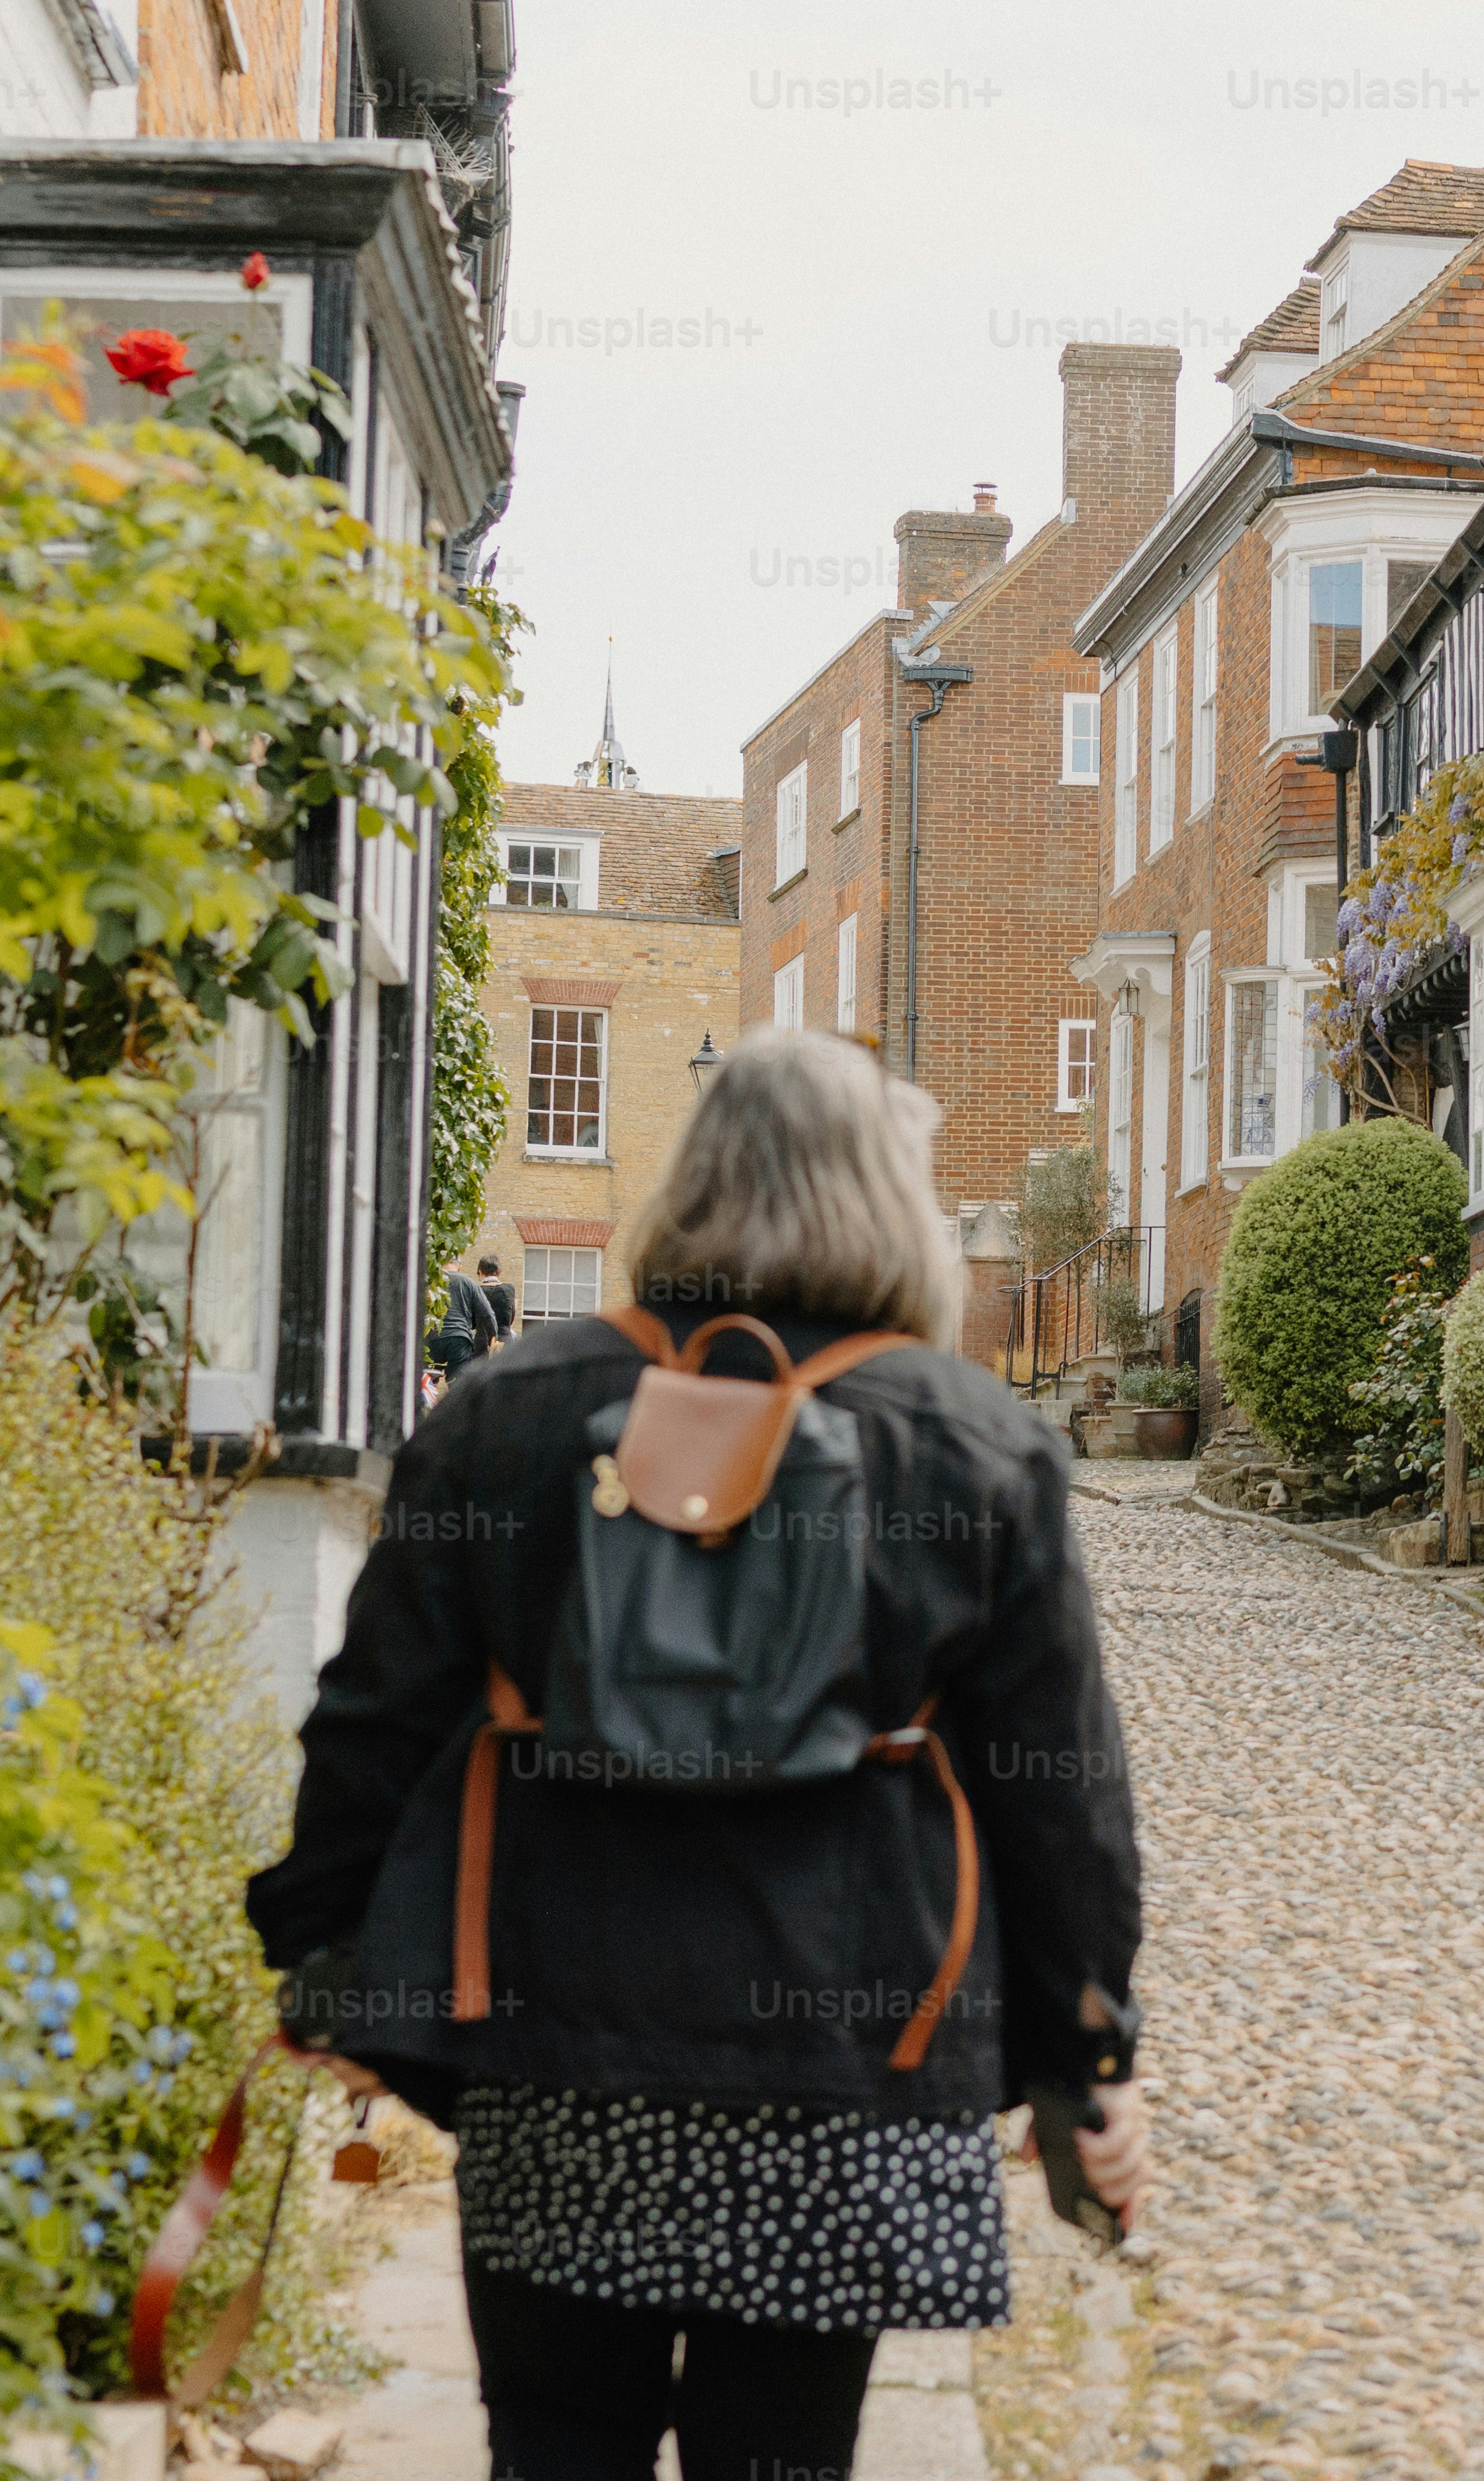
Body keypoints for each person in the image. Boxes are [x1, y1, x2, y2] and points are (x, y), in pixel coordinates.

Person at [248, 1030, 1147, 2481]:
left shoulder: (511, 1408)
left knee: (555, 2450)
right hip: (847, 2063)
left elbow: (378, 1714)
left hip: (556, 2046)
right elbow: (1059, 1796)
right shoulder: (974, 1441)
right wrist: (1087, 2054)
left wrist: (322, 1949)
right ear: (890, 1201)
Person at [425, 1249, 515, 1384]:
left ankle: (425, 1402)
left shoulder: (431, 1282)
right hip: (459, 1339)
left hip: (432, 1338)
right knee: (457, 1383)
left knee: (426, 1381)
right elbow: (487, 1313)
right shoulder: (469, 1283)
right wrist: (493, 1337)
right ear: (460, 1267)